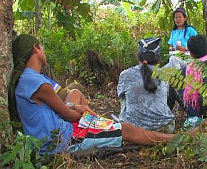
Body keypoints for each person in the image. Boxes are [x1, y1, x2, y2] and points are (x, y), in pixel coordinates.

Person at [8, 34, 176, 154]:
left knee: (75, 94)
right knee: (127, 130)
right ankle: (175, 139)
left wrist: (76, 106)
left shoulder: (29, 79)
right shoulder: (38, 83)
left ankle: (97, 124)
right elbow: (69, 115)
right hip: (63, 140)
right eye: (42, 47)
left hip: (53, 134)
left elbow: (63, 102)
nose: (44, 50)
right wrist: (80, 111)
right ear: (36, 49)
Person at [118, 38, 175, 133]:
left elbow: (122, 100)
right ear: (158, 58)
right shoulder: (164, 74)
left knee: (124, 100)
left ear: (138, 56)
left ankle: (125, 123)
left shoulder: (125, 75)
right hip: (165, 128)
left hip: (133, 130)